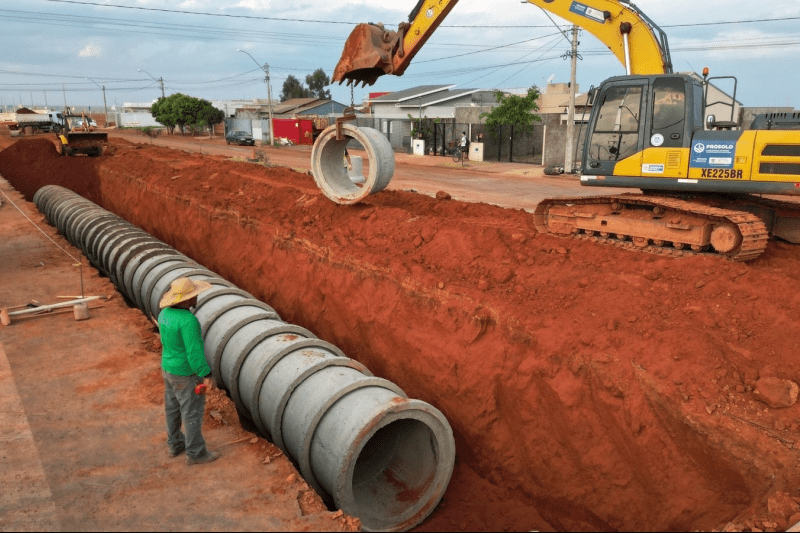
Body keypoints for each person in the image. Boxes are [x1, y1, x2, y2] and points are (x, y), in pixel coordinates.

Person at [157, 277, 220, 465]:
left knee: (172, 409)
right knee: (192, 412)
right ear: (186, 300)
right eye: (194, 295)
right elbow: (194, 353)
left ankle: (175, 444)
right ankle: (196, 453)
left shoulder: (164, 314)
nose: (197, 297)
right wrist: (206, 374)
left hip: (168, 369)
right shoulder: (188, 321)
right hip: (185, 374)